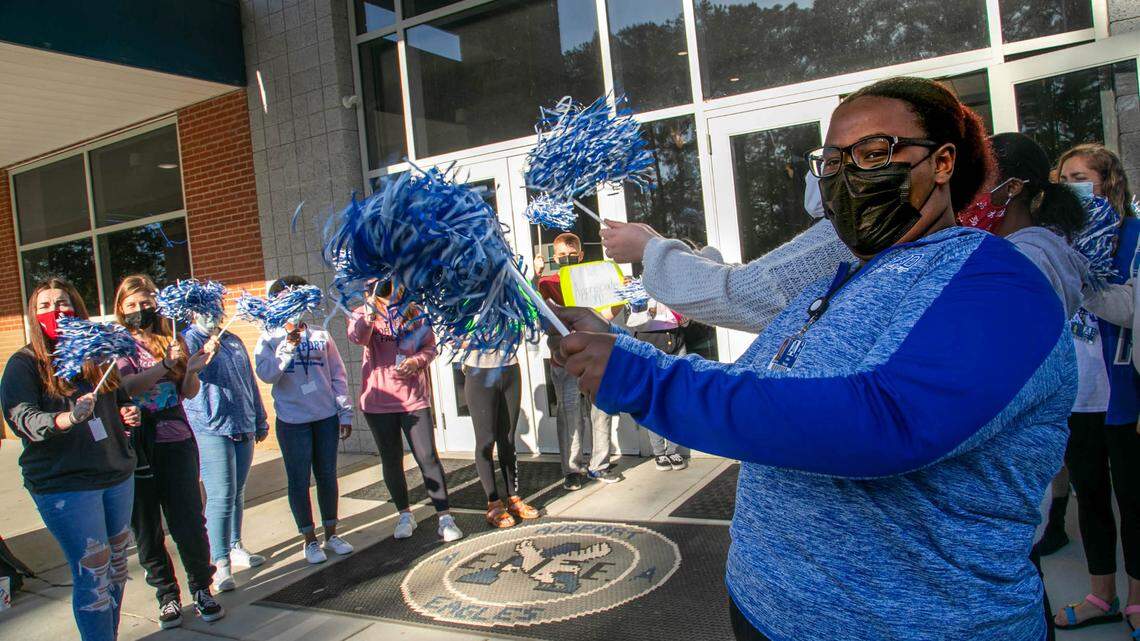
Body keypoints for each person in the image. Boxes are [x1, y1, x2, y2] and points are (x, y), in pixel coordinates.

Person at [557, 77, 1070, 640]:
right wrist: (617, 343)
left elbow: (885, 423)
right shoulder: (829, 285)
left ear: (943, 162)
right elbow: (754, 387)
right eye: (830, 162)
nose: (846, 176)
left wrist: (644, 380)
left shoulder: (1001, 283)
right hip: (767, 608)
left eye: (873, 154)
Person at [1, 279, 137, 641]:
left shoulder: (98, 356)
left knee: (117, 567)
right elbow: (23, 419)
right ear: (33, 314)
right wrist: (67, 418)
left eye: (62, 303)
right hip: (66, 484)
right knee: (93, 573)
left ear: (76, 306)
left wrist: (127, 413)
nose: (55, 311)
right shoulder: (25, 364)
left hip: (116, 475)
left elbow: (120, 398)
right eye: (44, 305)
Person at [1049, 143, 1140, 632]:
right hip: (1078, 394)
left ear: (1108, 182)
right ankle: (1101, 595)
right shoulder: (1056, 242)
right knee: (1092, 500)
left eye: (1080, 177)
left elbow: (1130, 309)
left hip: (1124, 392)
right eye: (1063, 179)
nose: (1071, 188)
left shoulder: (1134, 236)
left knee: (1135, 501)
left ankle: (1138, 601)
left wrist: (1083, 280)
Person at [113, 274, 222, 629]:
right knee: (146, 526)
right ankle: (167, 595)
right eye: (131, 305)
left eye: (145, 303)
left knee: (188, 520)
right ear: (120, 309)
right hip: (137, 443)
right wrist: (163, 365)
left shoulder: (170, 340)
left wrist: (191, 369)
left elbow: (187, 392)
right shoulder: (117, 346)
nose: (139, 310)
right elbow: (127, 386)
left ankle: (202, 588)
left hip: (175, 439)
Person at [346, 280, 464, 541]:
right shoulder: (361, 313)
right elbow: (357, 337)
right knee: (391, 459)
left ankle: (445, 517)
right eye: (375, 283)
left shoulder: (415, 311)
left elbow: (430, 347)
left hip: (413, 399)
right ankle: (404, 514)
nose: (384, 286)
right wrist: (369, 308)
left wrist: (416, 361)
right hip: (378, 401)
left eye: (387, 281)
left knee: (427, 457)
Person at [255, 276, 355, 565]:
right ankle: (309, 540)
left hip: (324, 418)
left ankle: (331, 533)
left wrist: (343, 410)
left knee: (327, 475)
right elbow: (267, 374)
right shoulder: (268, 338)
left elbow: (337, 375)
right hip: (292, 421)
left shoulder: (321, 335)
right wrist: (287, 345)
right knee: (299, 479)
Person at [182, 306, 270, 592]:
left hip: (241, 420)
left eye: (216, 309)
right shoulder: (188, 340)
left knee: (238, 491)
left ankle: (234, 545)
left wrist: (259, 416)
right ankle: (219, 562)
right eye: (205, 310)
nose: (213, 315)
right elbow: (186, 378)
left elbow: (248, 381)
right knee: (221, 494)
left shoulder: (232, 339)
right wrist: (205, 354)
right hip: (210, 425)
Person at [535, 232, 622, 489]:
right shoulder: (548, 283)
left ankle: (600, 464)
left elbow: (609, 310)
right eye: (562, 256)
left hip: (596, 355)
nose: (567, 259)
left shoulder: (594, 278)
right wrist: (536, 276)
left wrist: (620, 295)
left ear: (581, 255)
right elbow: (544, 316)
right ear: (554, 257)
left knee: (601, 409)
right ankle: (572, 469)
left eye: (572, 255)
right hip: (565, 360)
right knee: (570, 412)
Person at [462, 343, 540, 528]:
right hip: (479, 371)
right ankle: (494, 504)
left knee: (508, 438)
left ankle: (513, 498)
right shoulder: (464, 311)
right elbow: (457, 339)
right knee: (486, 441)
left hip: (509, 368)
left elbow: (520, 331)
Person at [622, 294, 688, 470]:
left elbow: (686, 319)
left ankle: (673, 450)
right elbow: (629, 320)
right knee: (654, 401)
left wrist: (683, 315)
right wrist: (648, 311)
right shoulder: (636, 292)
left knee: (675, 400)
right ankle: (659, 452)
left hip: (676, 346)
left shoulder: (670, 287)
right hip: (650, 351)